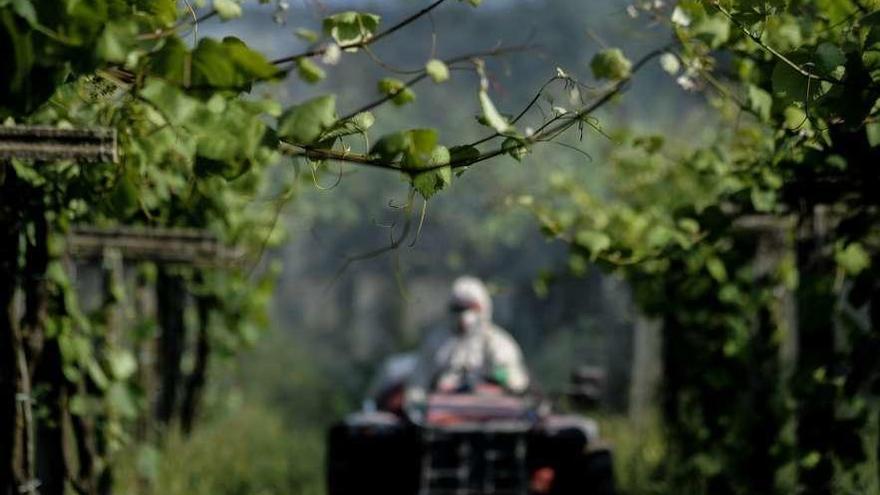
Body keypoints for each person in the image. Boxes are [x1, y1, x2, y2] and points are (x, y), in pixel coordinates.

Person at [407, 276, 529, 402]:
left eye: (470, 307)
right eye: (458, 308)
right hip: (442, 413)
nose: (463, 315)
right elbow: (418, 385)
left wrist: (499, 378)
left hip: (490, 411)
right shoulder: (435, 342)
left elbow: (515, 382)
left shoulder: (497, 343)